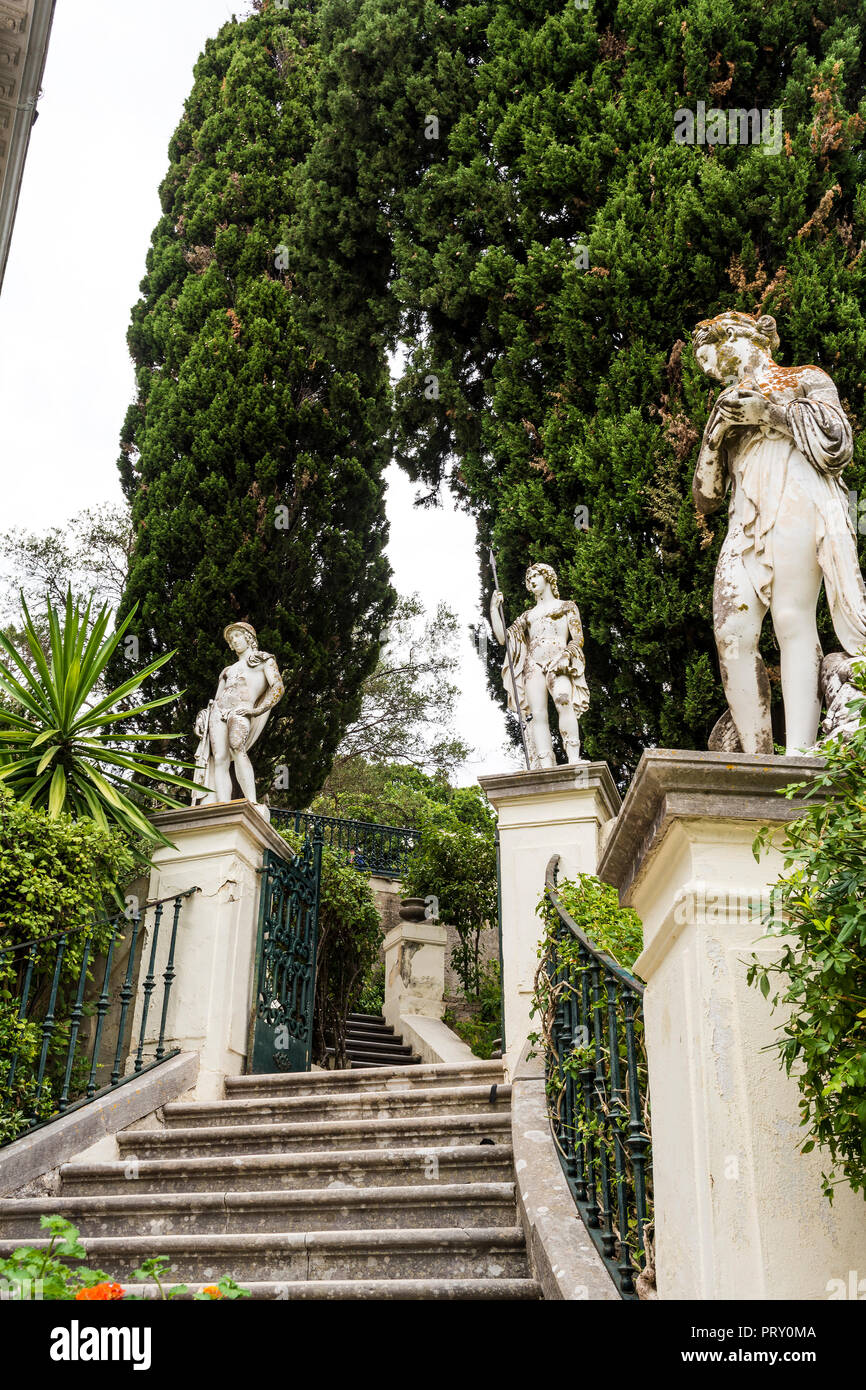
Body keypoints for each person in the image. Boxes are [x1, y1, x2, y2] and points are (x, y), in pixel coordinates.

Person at [693, 310, 866, 753]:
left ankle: (800, 755)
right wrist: (715, 437)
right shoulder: (723, 408)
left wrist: (766, 413)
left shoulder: (804, 377)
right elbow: (706, 498)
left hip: (796, 490)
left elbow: (836, 442)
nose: (709, 366)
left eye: (712, 349)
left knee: (792, 620)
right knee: (731, 631)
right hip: (745, 510)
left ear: (746, 338)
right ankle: (756, 759)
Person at [490, 562, 589, 768]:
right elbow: (503, 639)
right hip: (533, 665)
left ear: (548, 578)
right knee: (537, 715)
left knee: (563, 700)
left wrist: (566, 656)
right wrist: (493, 610)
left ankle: (573, 758)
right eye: (528, 579)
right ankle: (545, 766)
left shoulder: (566, 606)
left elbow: (577, 638)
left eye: (535, 576)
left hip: (558, 661)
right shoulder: (527, 616)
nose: (531, 581)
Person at [192, 622, 284, 808]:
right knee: (219, 758)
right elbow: (216, 699)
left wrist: (257, 710)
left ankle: (251, 801)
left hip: (241, 709)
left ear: (248, 638)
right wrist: (204, 716)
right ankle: (222, 804)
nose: (234, 641)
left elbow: (278, 687)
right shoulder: (227, 670)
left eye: (237, 636)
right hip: (218, 712)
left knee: (237, 747)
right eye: (231, 639)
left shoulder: (264, 660)